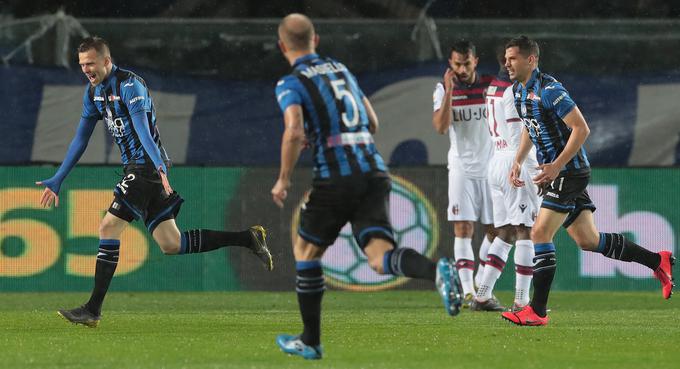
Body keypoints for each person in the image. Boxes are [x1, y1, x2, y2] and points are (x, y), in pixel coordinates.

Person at [36, 36, 274, 328]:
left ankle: (92, 310)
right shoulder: (94, 93)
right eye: (82, 64)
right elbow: (81, 138)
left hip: (146, 167)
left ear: (106, 61)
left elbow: (142, 129)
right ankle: (247, 238)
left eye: (91, 63)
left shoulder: (130, 85)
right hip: (138, 169)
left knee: (108, 227)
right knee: (172, 243)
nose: (86, 69)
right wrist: (59, 177)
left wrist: (159, 165)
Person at [270, 13, 462, 360]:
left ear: (282, 45)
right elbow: (371, 122)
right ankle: (438, 271)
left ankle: (310, 341)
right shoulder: (341, 70)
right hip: (374, 172)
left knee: (305, 253)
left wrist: (283, 178)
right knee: (379, 258)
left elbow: (294, 131)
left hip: (336, 177)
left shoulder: (290, 83)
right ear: (316, 40)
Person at [500, 35, 675, 326]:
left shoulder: (550, 90)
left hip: (569, 172)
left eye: (513, 58)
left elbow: (581, 129)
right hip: (560, 172)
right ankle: (658, 261)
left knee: (540, 233)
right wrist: (517, 159)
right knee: (588, 240)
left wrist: (556, 165)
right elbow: (531, 127)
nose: (506, 63)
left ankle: (537, 311)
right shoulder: (518, 92)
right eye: (505, 59)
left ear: (531, 60)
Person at [472, 46, 539, 312]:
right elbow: (524, 130)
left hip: (496, 161)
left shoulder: (492, 89)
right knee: (526, 231)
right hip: (515, 162)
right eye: (511, 60)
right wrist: (523, 162)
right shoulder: (514, 92)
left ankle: (482, 295)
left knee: (505, 232)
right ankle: (522, 301)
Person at [432, 40, 498, 308]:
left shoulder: (491, 86)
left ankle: (482, 285)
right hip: (462, 168)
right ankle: (469, 292)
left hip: (491, 167)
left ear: (475, 61)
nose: (461, 68)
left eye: (466, 63)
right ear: (450, 64)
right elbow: (440, 127)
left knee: (497, 231)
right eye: (457, 63)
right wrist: (449, 90)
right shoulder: (441, 89)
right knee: (463, 228)